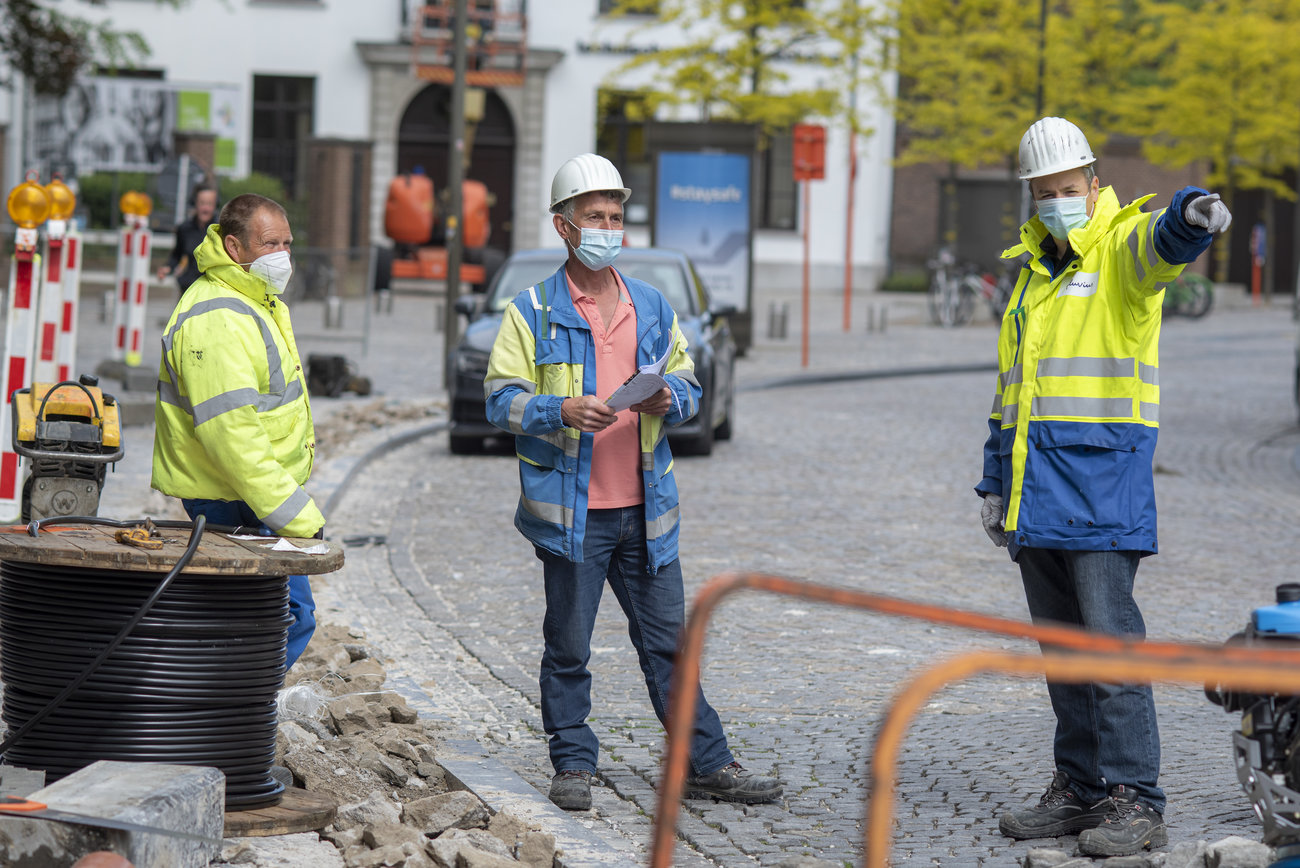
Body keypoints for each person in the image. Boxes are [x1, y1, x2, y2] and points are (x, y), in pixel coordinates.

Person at [484, 154, 782, 811]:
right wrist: (558, 409)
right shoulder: (529, 310)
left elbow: (690, 386)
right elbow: (497, 399)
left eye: (616, 217)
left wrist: (667, 398)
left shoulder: (650, 305)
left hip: (647, 514)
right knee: (568, 649)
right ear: (564, 227)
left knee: (670, 650)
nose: (608, 228)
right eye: (595, 217)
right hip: (572, 518)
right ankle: (573, 763)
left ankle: (706, 763)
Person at [975, 117, 1232, 857]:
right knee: (1066, 655)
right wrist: (995, 483)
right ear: (1032, 195)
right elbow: (1010, 396)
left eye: (1069, 188)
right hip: (1037, 495)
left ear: (1093, 183)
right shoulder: (1030, 279)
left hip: (1102, 493)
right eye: (1044, 192)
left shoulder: (1118, 249)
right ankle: (1082, 789)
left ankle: (1134, 797)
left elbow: (1162, 243)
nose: (1059, 201)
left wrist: (1189, 214)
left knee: (1111, 651)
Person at [151, 192, 323, 670]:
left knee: (255, 618)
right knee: (285, 616)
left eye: (288, 243)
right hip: (236, 498)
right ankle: (222, 717)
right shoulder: (218, 318)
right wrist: (298, 518)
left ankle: (227, 717)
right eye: (270, 244)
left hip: (251, 496)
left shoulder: (251, 298)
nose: (283, 256)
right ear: (234, 247)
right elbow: (233, 437)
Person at [157, 184, 218, 295]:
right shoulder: (184, 228)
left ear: (215, 205)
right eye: (202, 203)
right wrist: (168, 267)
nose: (205, 208)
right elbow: (177, 254)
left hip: (212, 289)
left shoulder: (221, 230)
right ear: (195, 204)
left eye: (209, 204)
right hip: (188, 288)